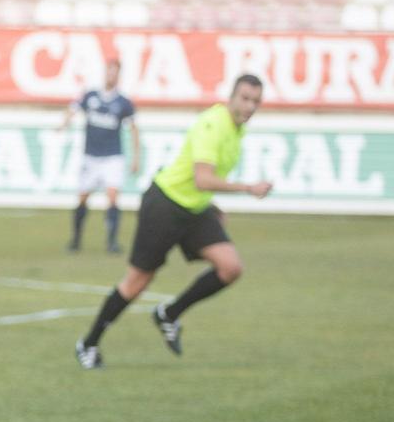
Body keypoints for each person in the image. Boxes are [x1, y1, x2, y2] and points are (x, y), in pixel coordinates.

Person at [75, 75, 274, 369]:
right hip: (165, 205)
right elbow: (202, 178)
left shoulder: (237, 129)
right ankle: (88, 344)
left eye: (255, 101)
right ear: (231, 96)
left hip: (194, 208)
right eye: (244, 98)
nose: (249, 106)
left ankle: (169, 313)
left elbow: (200, 182)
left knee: (230, 267)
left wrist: (212, 206)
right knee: (137, 282)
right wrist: (248, 188)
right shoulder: (212, 124)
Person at [60, 59, 141, 254]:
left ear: (118, 76)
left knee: (113, 197)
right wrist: (64, 124)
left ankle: (112, 242)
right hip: (90, 156)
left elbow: (133, 129)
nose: (110, 75)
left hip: (113, 156)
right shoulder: (90, 96)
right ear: (104, 73)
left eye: (114, 72)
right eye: (108, 71)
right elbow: (73, 109)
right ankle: (76, 240)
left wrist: (136, 157)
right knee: (82, 198)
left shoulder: (123, 103)